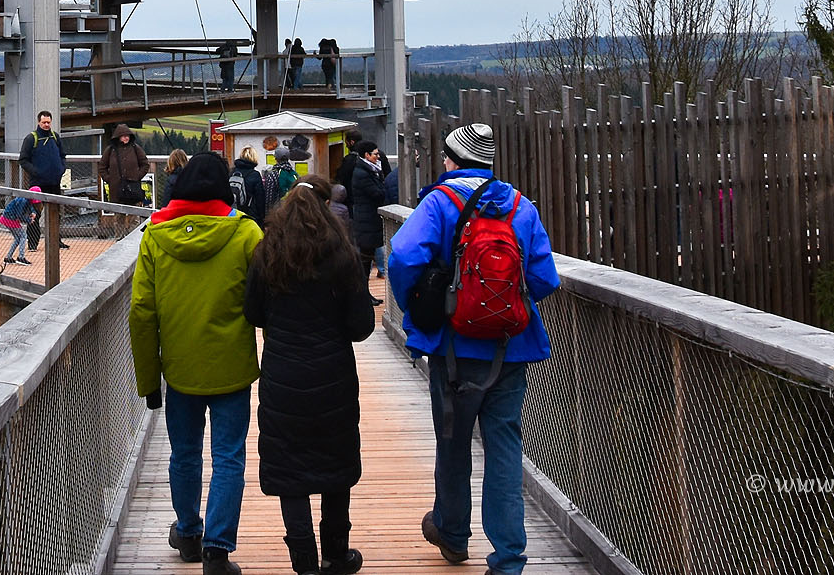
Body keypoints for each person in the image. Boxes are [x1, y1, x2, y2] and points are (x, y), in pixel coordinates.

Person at [386, 123, 559, 575]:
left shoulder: (440, 203)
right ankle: (508, 558)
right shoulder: (519, 206)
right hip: (509, 347)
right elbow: (544, 279)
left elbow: (402, 256)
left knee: (453, 441)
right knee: (504, 447)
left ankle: (453, 533)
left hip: (452, 348)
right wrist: (501, 307)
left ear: (450, 161)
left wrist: (422, 307)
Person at [130, 150, 264, 575]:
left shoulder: (154, 237)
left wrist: (149, 380)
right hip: (232, 368)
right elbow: (265, 302)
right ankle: (217, 550)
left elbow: (141, 313)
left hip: (180, 370)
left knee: (184, 454)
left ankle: (188, 532)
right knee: (228, 457)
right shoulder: (247, 235)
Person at [244, 179, 374, 575]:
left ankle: (304, 561)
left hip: (283, 375)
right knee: (335, 464)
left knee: (290, 469)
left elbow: (253, 314)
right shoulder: (343, 256)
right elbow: (361, 327)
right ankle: (337, 553)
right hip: (333, 375)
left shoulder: (266, 254)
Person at [18, 111, 67, 250]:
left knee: (56, 213)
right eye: (44, 122)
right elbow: (23, 160)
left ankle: (56, 241)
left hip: (54, 182)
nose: (46, 125)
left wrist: (61, 169)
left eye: (48, 122)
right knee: (34, 214)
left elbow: (63, 155)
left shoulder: (55, 137)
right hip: (38, 184)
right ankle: (33, 243)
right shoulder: (31, 138)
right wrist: (36, 172)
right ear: (39, 122)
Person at [346, 141, 390, 278]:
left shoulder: (368, 170)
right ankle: (365, 294)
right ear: (367, 155)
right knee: (365, 257)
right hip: (367, 219)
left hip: (368, 219)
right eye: (376, 154)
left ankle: (367, 294)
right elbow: (377, 194)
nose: (378, 157)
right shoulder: (363, 173)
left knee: (367, 255)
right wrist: (384, 186)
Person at [105, 123, 152, 208]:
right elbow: (102, 167)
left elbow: (145, 164)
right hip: (116, 190)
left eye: (127, 135)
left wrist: (137, 176)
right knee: (118, 216)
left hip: (133, 190)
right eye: (123, 136)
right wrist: (109, 179)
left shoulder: (135, 148)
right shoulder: (110, 150)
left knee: (133, 217)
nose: (126, 138)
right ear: (118, 137)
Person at [229, 150, 271, 225]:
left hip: (233, 213)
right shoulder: (255, 175)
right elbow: (260, 199)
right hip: (250, 214)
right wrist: (262, 218)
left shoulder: (231, 172)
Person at [0, 186, 38, 266]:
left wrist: (33, 212)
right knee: (23, 236)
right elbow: (19, 215)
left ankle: (8, 257)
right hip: (10, 219)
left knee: (18, 238)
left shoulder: (26, 198)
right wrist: (28, 220)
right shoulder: (23, 200)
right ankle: (21, 257)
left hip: (8, 218)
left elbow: (30, 206)